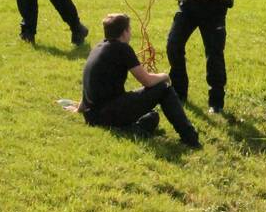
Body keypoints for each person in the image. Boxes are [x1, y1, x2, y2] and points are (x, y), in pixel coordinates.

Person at [79, 13, 200, 147]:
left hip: (92, 115)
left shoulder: (98, 47)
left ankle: (132, 130)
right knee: (164, 89)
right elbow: (147, 81)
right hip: (107, 114)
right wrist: (165, 76)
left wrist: (81, 107)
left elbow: (89, 80)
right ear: (124, 32)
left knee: (152, 116)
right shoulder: (123, 49)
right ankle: (190, 138)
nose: (130, 33)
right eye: (129, 29)